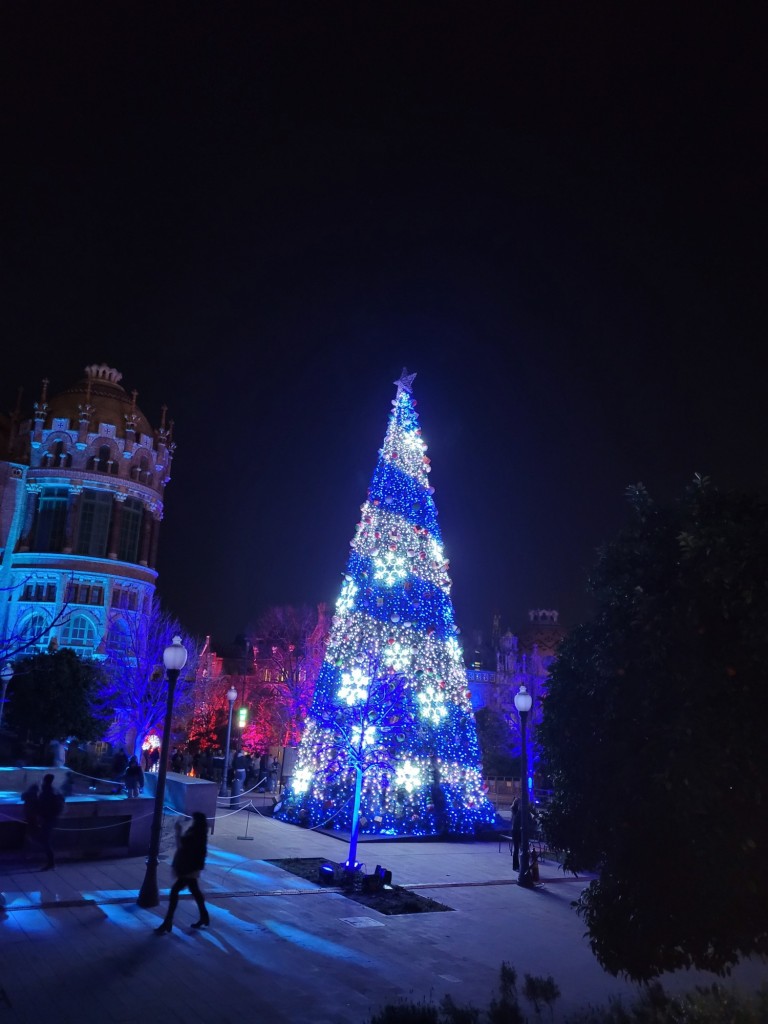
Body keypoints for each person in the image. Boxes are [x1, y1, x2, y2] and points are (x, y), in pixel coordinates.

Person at [155, 812, 210, 934]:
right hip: (190, 867)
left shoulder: (196, 833)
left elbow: (182, 845)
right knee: (195, 891)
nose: (191, 820)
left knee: (175, 891)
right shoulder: (198, 831)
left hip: (189, 867)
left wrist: (178, 831)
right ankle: (204, 916)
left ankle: (167, 922)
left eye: (193, 819)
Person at [37, 773, 65, 870]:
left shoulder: (46, 792)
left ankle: (51, 863)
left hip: (48, 819)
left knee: (45, 840)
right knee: (44, 840)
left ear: (45, 780)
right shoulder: (55, 791)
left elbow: (41, 805)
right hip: (52, 818)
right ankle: (50, 862)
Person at [511, 797, 521, 871]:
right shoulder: (517, 812)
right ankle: (516, 866)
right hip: (517, 832)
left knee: (517, 849)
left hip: (516, 832)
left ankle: (516, 866)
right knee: (517, 849)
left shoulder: (515, 812)